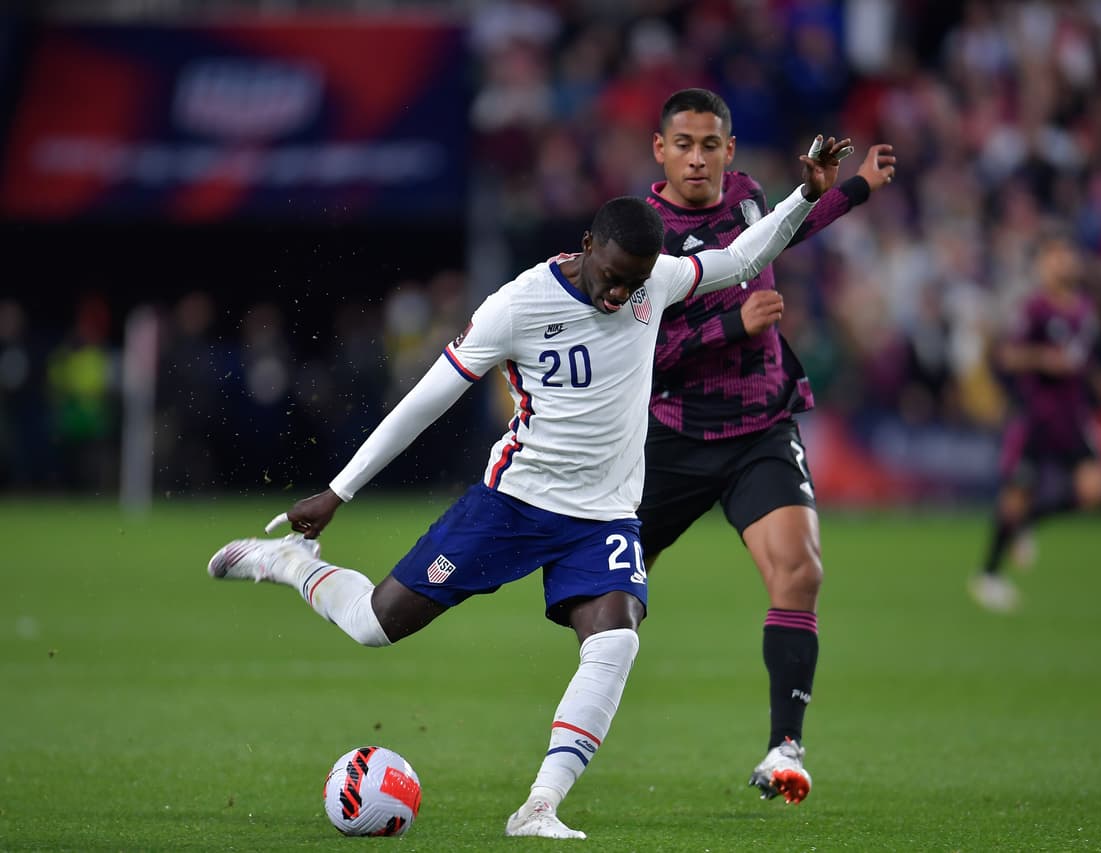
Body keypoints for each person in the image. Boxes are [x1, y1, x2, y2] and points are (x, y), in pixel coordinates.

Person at [206, 132, 851, 840]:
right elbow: (427, 399)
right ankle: (291, 565)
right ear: (586, 244)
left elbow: (742, 257)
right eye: (612, 275)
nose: (620, 293)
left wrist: (806, 195)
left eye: (634, 282)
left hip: (603, 515)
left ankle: (539, 804)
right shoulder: (518, 305)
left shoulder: (655, 281)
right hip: (513, 502)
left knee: (616, 639)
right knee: (373, 625)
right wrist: (339, 490)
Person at [638, 88, 896, 804]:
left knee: (800, 571)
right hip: (673, 436)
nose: (697, 157)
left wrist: (855, 191)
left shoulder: (750, 196)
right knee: (606, 597)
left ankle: (785, 747)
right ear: (660, 150)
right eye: (683, 144)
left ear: (729, 150)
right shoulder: (641, 237)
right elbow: (639, 358)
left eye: (710, 144)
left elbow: (792, 227)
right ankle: (576, 736)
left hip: (760, 425)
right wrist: (732, 327)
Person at [969, 234, 1101, 612]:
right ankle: (988, 575)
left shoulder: (1083, 310)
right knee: (1014, 498)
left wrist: (1099, 379)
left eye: (1066, 254)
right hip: (1036, 416)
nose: (1062, 263)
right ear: (1042, 265)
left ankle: (1029, 524)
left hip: (1072, 416)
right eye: (1054, 257)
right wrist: (1043, 359)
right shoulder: (1033, 309)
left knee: (1095, 489)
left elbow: (1081, 358)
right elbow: (1007, 356)